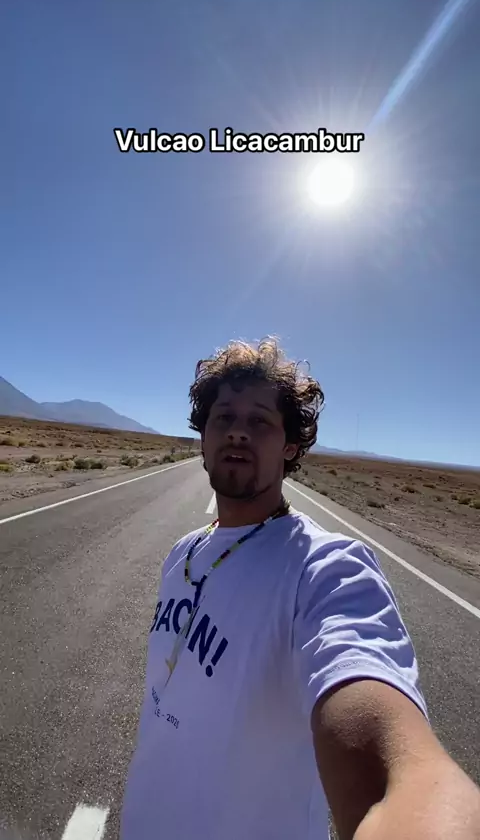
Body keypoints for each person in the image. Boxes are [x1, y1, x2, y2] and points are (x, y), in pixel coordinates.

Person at [120, 337, 480, 840]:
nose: (238, 431)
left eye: (260, 422)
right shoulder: (182, 553)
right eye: (224, 418)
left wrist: (412, 802)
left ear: (290, 446)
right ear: (203, 436)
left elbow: (394, 763)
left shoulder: (326, 569)